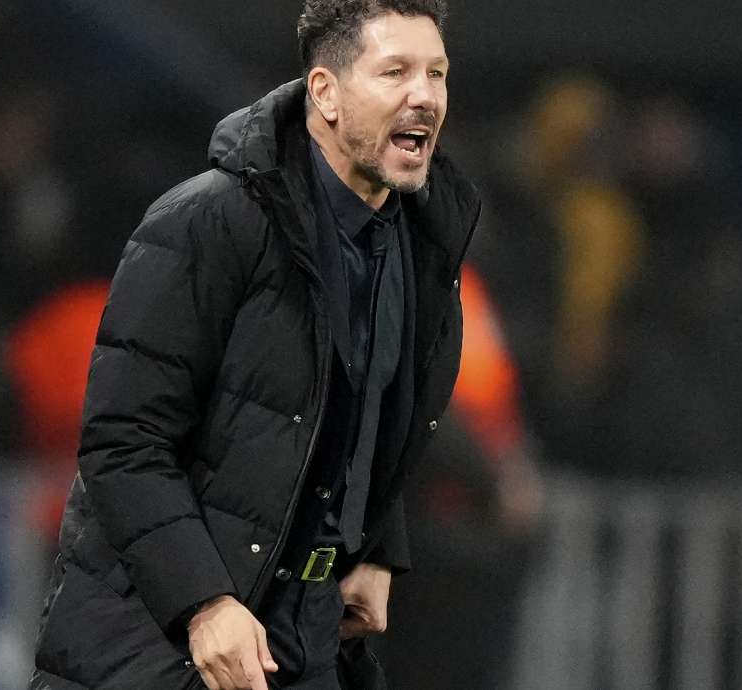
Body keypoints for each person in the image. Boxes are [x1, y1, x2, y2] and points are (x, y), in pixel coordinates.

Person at [28, 1, 478, 688]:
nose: (424, 96)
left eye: (437, 74)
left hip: (307, 636)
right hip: (157, 645)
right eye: (395, 73)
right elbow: (125, 439)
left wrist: (375, 547)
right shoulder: (207, 221)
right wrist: (203, 604)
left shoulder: (419, 250)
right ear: (324, 93)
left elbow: (367, 419)